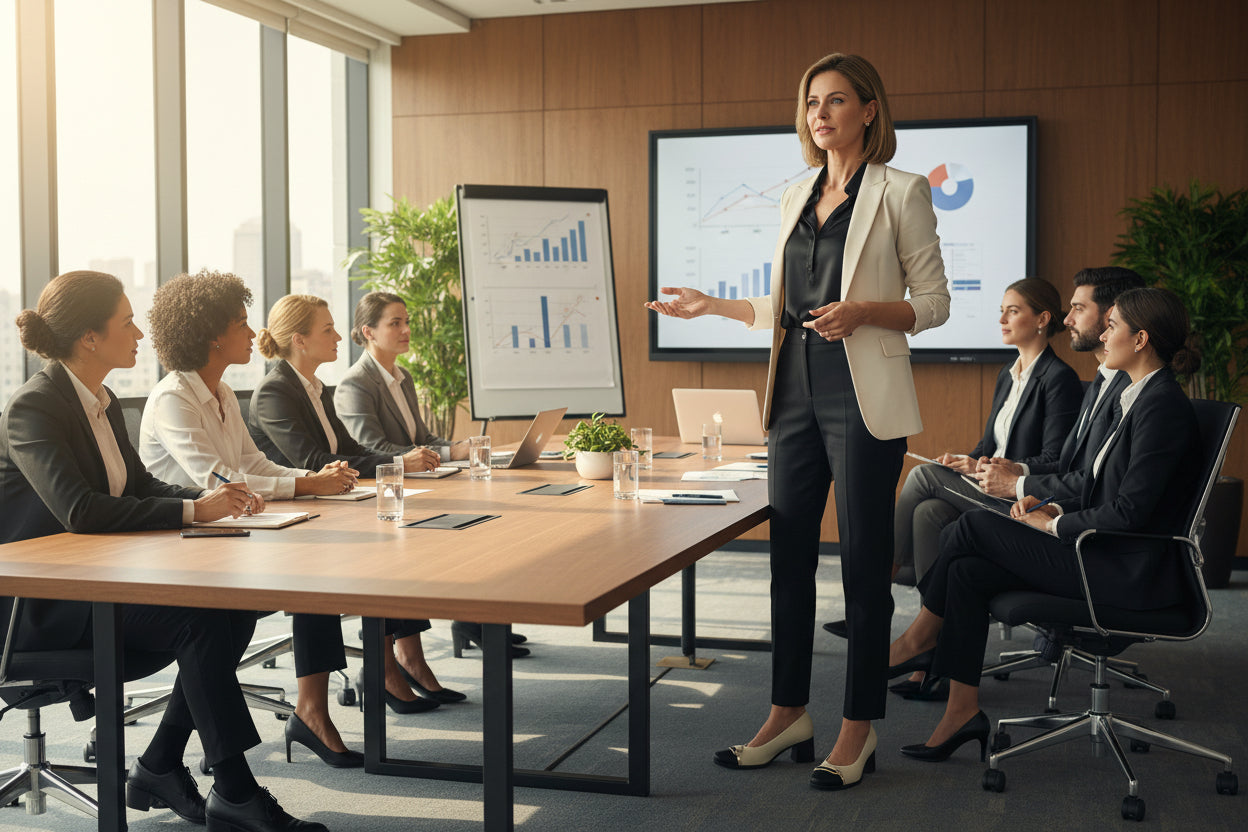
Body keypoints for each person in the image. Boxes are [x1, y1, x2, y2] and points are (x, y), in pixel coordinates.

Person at [647, 53, 950, 791]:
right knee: (786, 559)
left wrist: (865, 312)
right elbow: (784, 307)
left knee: (862, 566)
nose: (821, 114)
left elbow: (934, 304)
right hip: (793, 394)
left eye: (837, 101)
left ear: (870, 110)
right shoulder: (794, 196)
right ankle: (787, 713)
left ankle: (857, 725)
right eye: (812, 102)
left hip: (861, 395)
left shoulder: (901, 191)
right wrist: (712, 306)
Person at [0, 270, 325, 832]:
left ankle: (160, 765)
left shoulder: (99, 399)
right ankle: (236, 792)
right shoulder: (35, 407)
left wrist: (210, 497)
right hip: (38, 606)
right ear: (89, 338)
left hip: (96, 583)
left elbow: (139, 486)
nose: (140, 335)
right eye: (127, 323)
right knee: (197, 620)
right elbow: (81, 509)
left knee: (231, 609)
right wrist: (195, 511)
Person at [139, 275, 453, 765]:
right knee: (309, 571)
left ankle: (303, 713)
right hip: (186, 544)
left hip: (232, 532)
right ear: (213, 335)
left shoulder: (222, 393)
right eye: (241, 323)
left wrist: (309, 479)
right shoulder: (174, 398)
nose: (252, 333)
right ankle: (292, 722)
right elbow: (217, 479)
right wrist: (308, 482)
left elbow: (256, 468)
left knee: (319, 562)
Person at [887, 287, 1201, 764]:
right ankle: (961, 711)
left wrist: (1051, 525)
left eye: (1111, 326)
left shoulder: (1161, 406)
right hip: (1099, 550)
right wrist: (1050, 506)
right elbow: (1102, 487)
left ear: (1140, 340)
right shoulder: (1130, 398)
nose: (1103, 335)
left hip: (1124, 571)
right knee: (968, 571)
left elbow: (1132, 514)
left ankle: (919, 639)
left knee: (970, 528)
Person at [334, 291, 530, 661]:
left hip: (419, 485)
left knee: (486, 518)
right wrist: (447, 454)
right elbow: (372, 449)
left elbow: (420, 439)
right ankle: (464, 626)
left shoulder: (401, 377)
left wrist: (458, 447)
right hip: (386, 495)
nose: (407, 329)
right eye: (396, 323)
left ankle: (476, 619)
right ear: (369, 332)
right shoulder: (355, 384)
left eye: (406, 321)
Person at [973, 266, 1146, 502]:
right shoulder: (1101, 381)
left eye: (1079, 308)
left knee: (941, 503)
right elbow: (1069, 466)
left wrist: (1022, 488)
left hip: (1071, 518)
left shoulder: (1129, 392)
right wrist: (1012, 471)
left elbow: (1103, 485)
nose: (1067, 320)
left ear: (1111, 315)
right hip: (1048, 502)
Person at [246, 294, 435, 477]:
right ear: (299, 340)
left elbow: (353, 451)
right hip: (297, 506)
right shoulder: (273, 393)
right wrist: (399, 464)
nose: (338, 337)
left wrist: (401, 461)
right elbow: (315, 463)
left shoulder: (316, 388)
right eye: (328, 330)